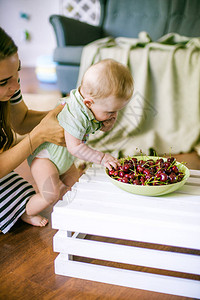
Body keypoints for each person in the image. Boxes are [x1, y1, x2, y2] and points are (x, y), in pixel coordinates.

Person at [26, 59, 134, 222]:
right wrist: (102, 158)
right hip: (45, 157)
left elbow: (101, 126)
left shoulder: (92, 105)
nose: (114, 115)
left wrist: (108, 121)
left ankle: (70, 203)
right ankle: (27, 213)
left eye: (117, 111)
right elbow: (75, 147)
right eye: (110, 111)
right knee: (50, 194)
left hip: (64, 158)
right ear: (88, 103)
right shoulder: (75, 113)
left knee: (78, 185)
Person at [0, 27, 66, 233]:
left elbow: (21, 120)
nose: (16, 86)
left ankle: (18, 210)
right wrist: (38, 136)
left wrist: (65, 115)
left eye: (17, 71)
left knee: (22, 192)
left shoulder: (12, 85)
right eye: (3, 82)